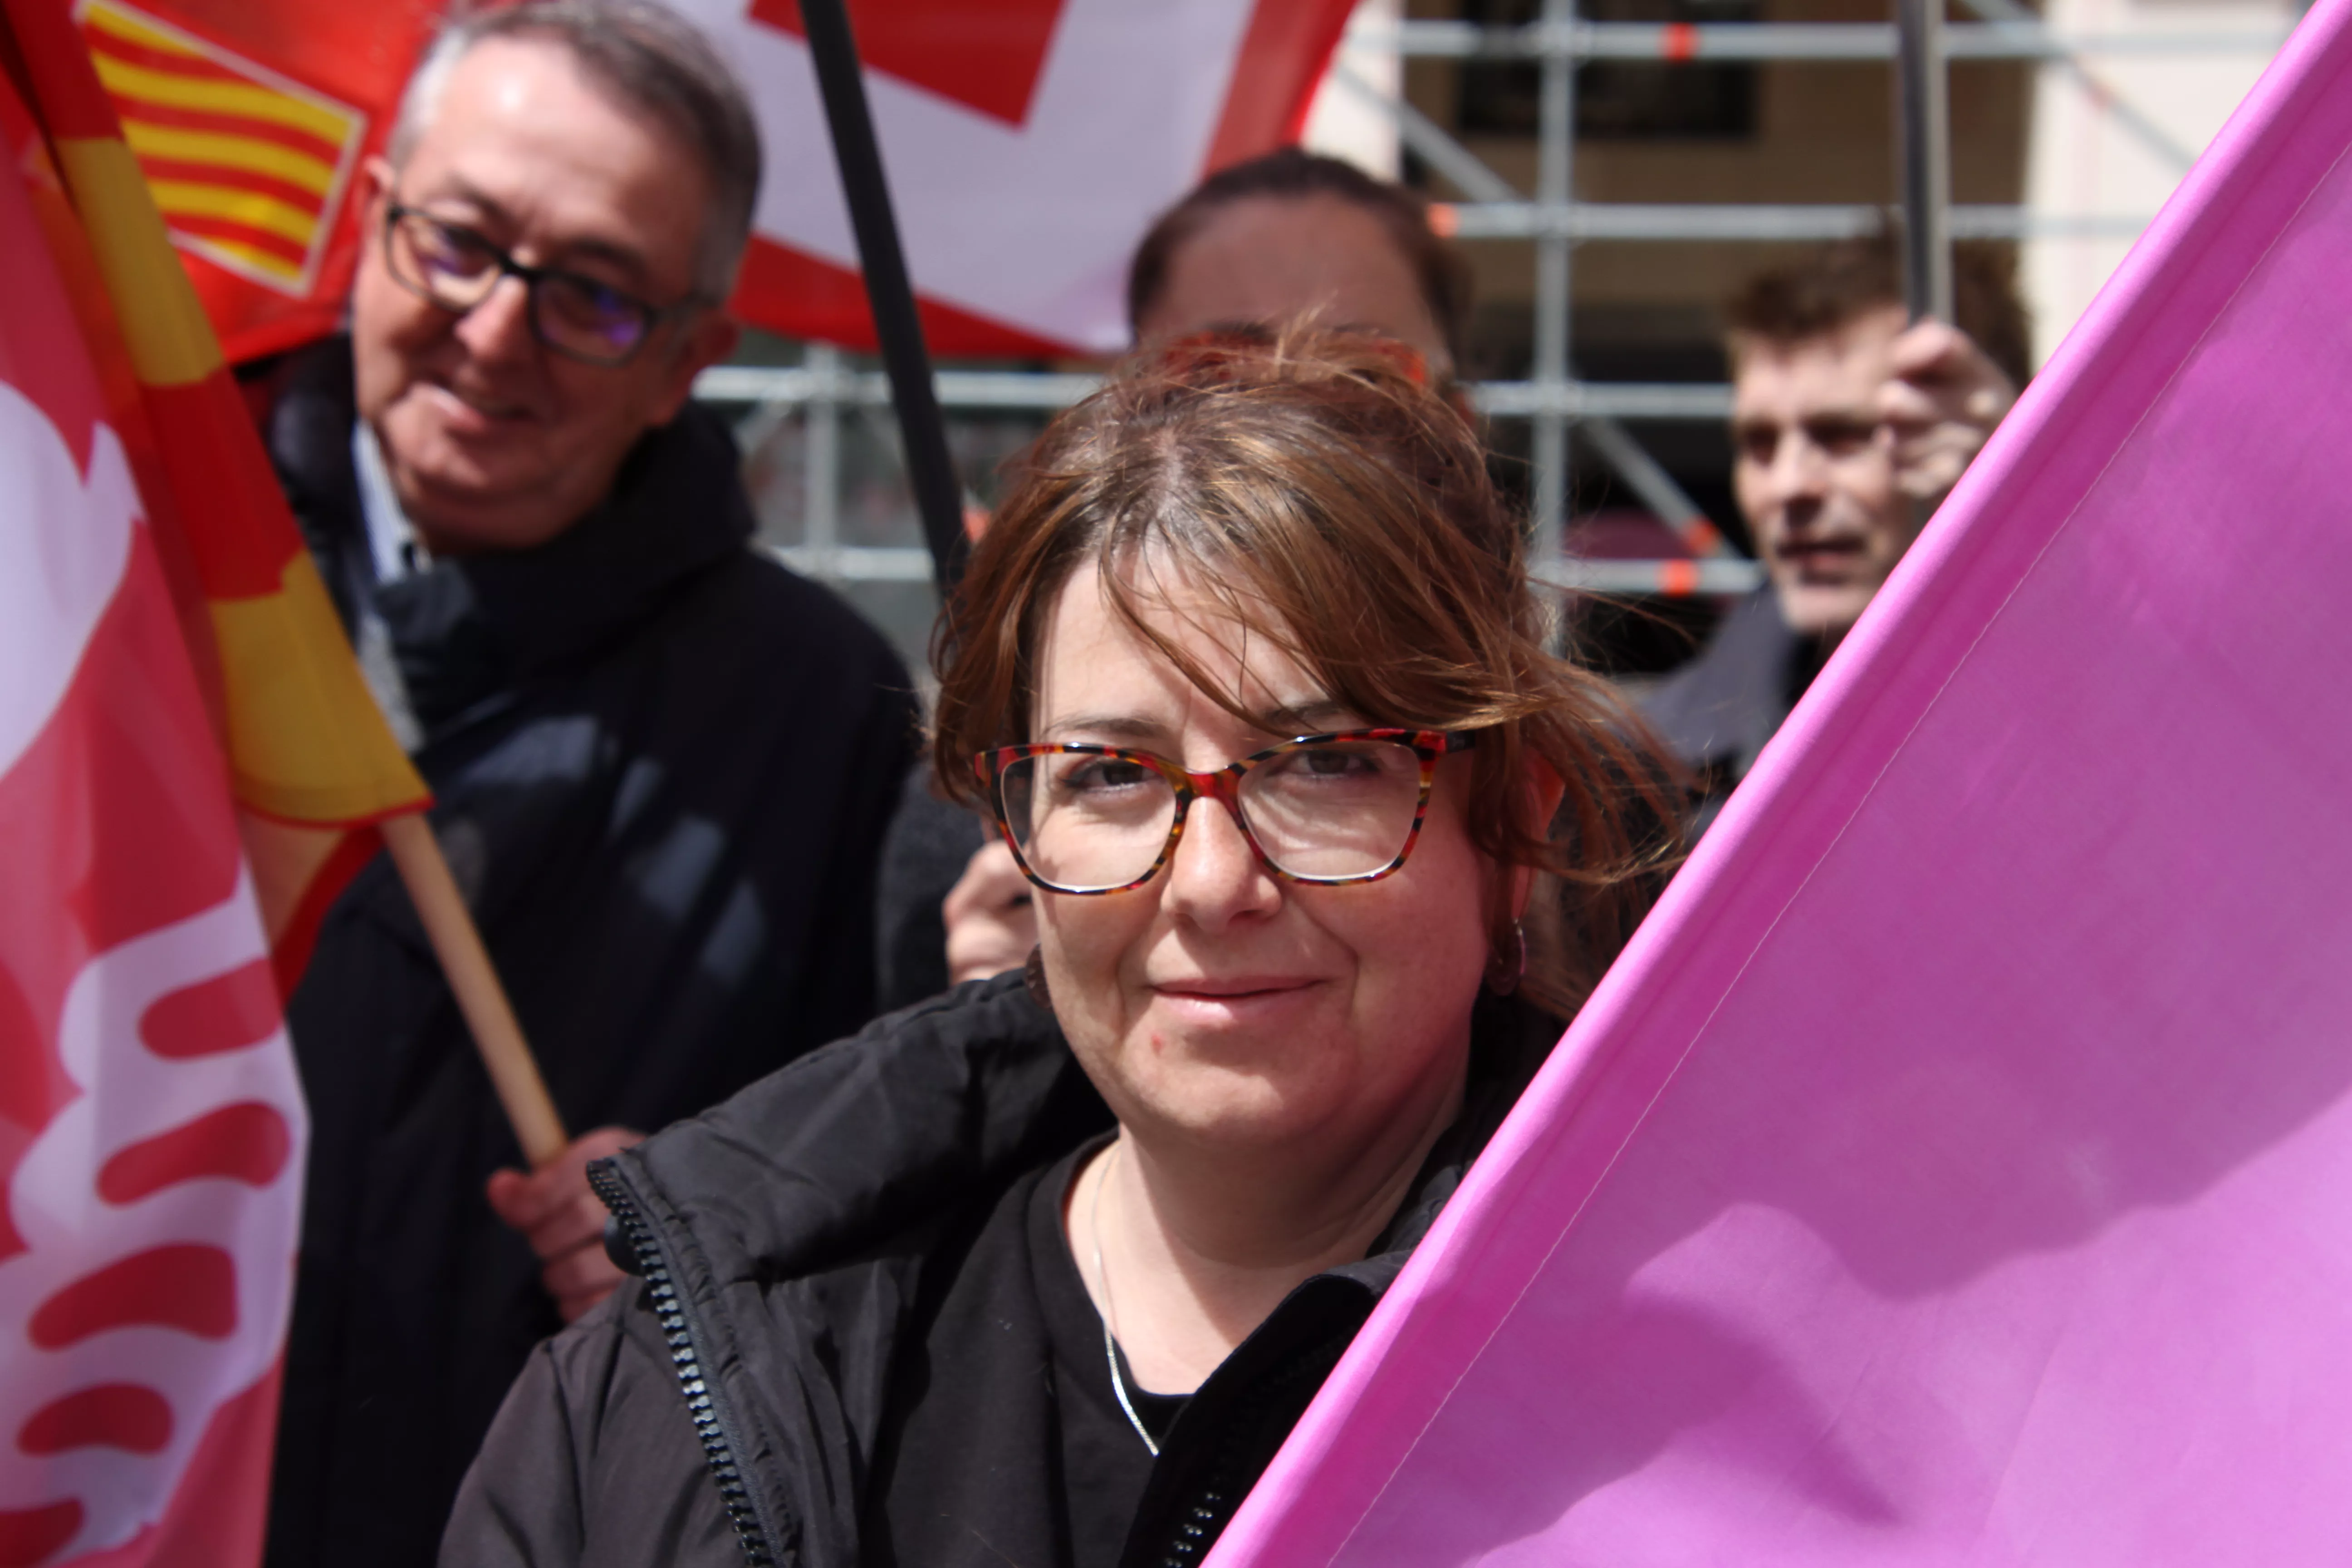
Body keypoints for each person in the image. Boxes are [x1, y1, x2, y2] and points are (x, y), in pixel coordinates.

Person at [441, 332, 1676, 1566]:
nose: (1209, 883)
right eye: (1110, 775)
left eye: (1325, 764)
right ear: (1013, 832)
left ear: (1514, 825)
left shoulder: (1715, 1397)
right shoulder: (678, 1384)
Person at [250, 5, 915, 1562]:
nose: (491, 332)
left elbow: (883, 1231)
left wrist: (723, 1229)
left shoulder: (824, 714)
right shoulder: (118, 567)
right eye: (458, 243)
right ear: (370, 224)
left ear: (690, 357)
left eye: (592, 299)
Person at [875, 148, 1475, 1011]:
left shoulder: (1616, 815)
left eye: (1359, 383)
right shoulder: (965, 816)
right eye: (1214, 377)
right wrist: (992, 1047)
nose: (1281, 435)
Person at [1639, 236, 2029, 829]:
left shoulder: (2120, 716)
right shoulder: (1642, 775)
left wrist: (2031, 519)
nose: (1790, 487)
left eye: (1844, 435)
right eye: (1759, 444)